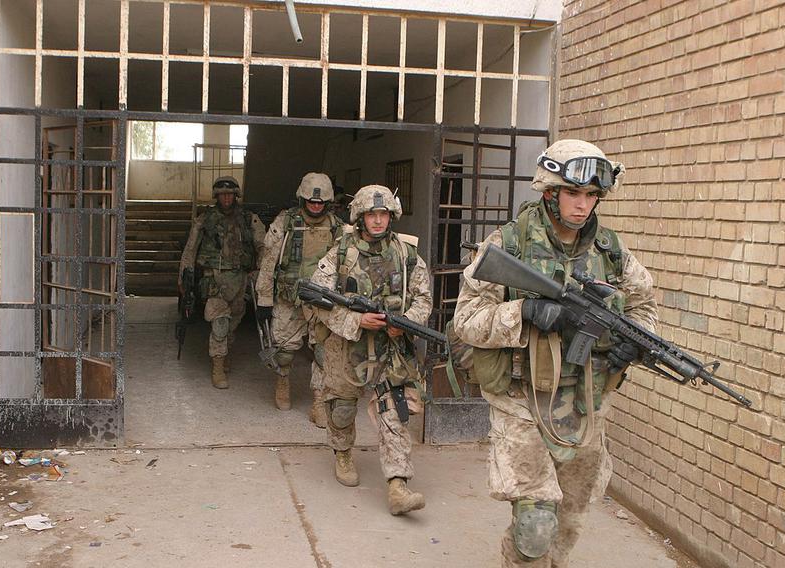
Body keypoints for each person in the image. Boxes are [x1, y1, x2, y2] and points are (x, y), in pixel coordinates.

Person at [452, 139, 658, 566]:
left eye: (591, 196)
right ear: (550, 191)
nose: (583, 205)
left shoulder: (612, 253)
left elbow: (644, 308)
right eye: (573, 193)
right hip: (519, 399)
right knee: (534, 527)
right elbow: (466, 320)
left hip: (586, 402)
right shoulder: (508, 244)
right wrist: (525, 311)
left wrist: (632, 342)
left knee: (569, 522)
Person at [309, 184, 432, 516]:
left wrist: (404, 322)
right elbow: (316, 299)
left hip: (390, 347)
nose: (378, 221)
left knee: (395, 411)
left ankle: (397, 484)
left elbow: (423, 298)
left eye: (383, 214)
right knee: (341, 409)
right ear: (359, 217)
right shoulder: (338, 254)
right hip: (346, 346)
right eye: (371, 215)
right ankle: (343, 451)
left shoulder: (407, 255)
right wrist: (355, 320)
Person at [255, 172, 346, 424]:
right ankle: (282, 381)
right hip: (289, 297)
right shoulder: (286, 221)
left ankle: (318, 400)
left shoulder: (339, 228)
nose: (315, 206)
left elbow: (349, 266)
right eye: (311, 201)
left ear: (327, 202)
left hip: (322, 301)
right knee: (284, 350)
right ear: (302, 199)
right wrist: (264, 299)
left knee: (323, 353)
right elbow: (269, 262)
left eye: (320, 202)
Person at [179, 175, 265, 389]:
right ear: (216, 196)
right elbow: (191, 249)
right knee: (219, 324)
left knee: (233, 324)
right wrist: (183, 276)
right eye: (222, 194)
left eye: (230, 194)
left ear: (236, 195)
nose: (226, 198)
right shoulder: (205, 219)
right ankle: (217, 366)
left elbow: (263, 246)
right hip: (214, 279)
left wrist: (260, 271)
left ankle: (224, 354)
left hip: (240, 280)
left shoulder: (248, 218)